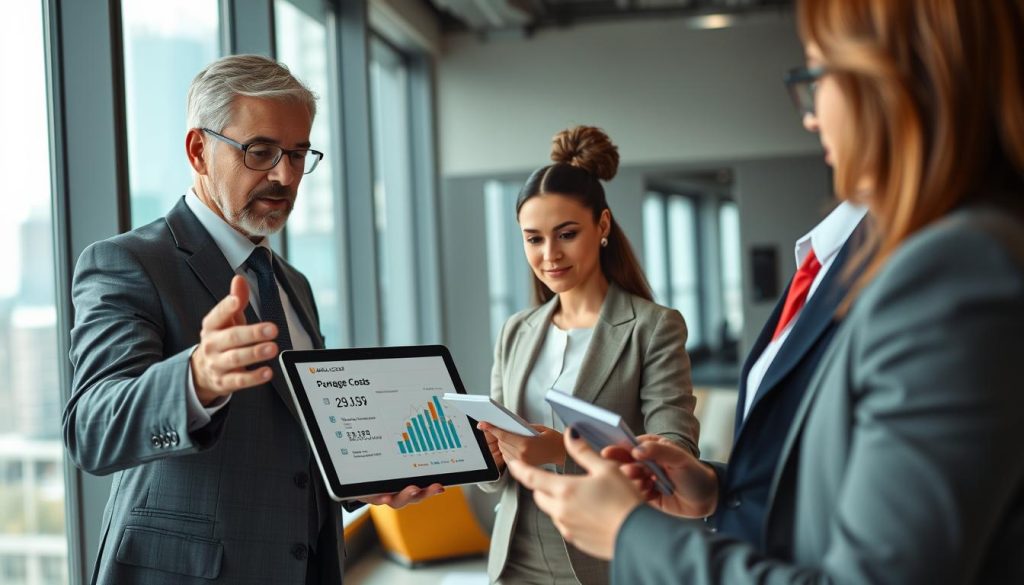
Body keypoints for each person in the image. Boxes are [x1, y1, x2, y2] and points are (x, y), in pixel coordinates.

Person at [508, 0, 1024, 583]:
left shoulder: (951, 272)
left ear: (895, 81)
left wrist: (631, 535)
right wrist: (717, 486)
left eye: (818, 76)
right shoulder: (886, 255)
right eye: (532, 238)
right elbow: (838, 483)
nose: (810, 115)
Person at [63, 54, 441, 585]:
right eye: (260, 152)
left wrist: (362, 479)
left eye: (298, 153)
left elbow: (296, 440)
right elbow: (93, 431)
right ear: (199, 150)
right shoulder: (128, 262)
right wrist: (197, 379)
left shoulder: (293, 284)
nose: (285, 176)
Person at [477, 126, 700, 585]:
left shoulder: (653, 326)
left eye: (566, 234)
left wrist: (561, 449)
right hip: (515, 557)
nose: (549, 255)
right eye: (533, 239)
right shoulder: (516, 330)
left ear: (602, 226)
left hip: (608, 558)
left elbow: (675, 448)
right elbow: (493, 463)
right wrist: (489, 454)